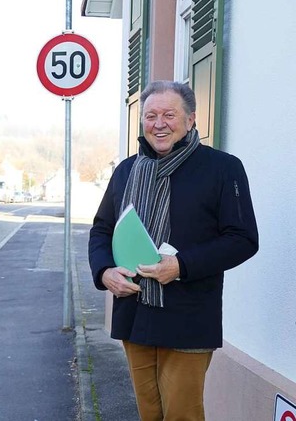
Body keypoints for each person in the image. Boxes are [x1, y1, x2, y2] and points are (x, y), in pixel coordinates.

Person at [88, 81, 259, 421]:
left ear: (191, 120)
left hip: (188, 314)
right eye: (150, 115)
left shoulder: (223, 168)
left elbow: (243, 239)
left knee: (182, 415)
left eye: (169, 114)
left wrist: (180, 265)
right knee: (149, 414)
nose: (159, 123)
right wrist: (105, 272)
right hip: (134, 312)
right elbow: (102, 230)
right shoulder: (126, 170)